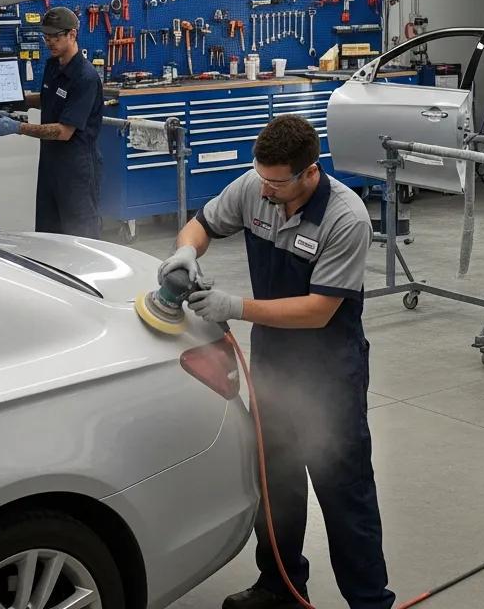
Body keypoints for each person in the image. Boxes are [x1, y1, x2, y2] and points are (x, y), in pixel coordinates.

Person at [159, 115, 393, 609]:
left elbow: (318, 310)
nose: (264, 188)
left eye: (276, 180)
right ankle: (280, 589)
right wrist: (185, 251)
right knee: (277, 483)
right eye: (260, 175)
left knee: (343, 493)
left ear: (310, 173)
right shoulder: (257, 187)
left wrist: (235, 307)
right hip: (272, 365)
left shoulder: (346, 219)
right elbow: (202, 223)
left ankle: (370, 602)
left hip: (329, 371)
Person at [0, 6, 104, 238]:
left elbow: (63, 132)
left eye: (55, 37)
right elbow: (48, 97)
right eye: (46, 37)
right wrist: (9, 104)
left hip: (76, 170)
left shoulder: (85, 78)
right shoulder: (53, 64)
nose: (49, 42)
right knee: (49, 235)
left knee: (81, 238)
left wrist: (17, 127)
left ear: (72, 34)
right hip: (51, 165)